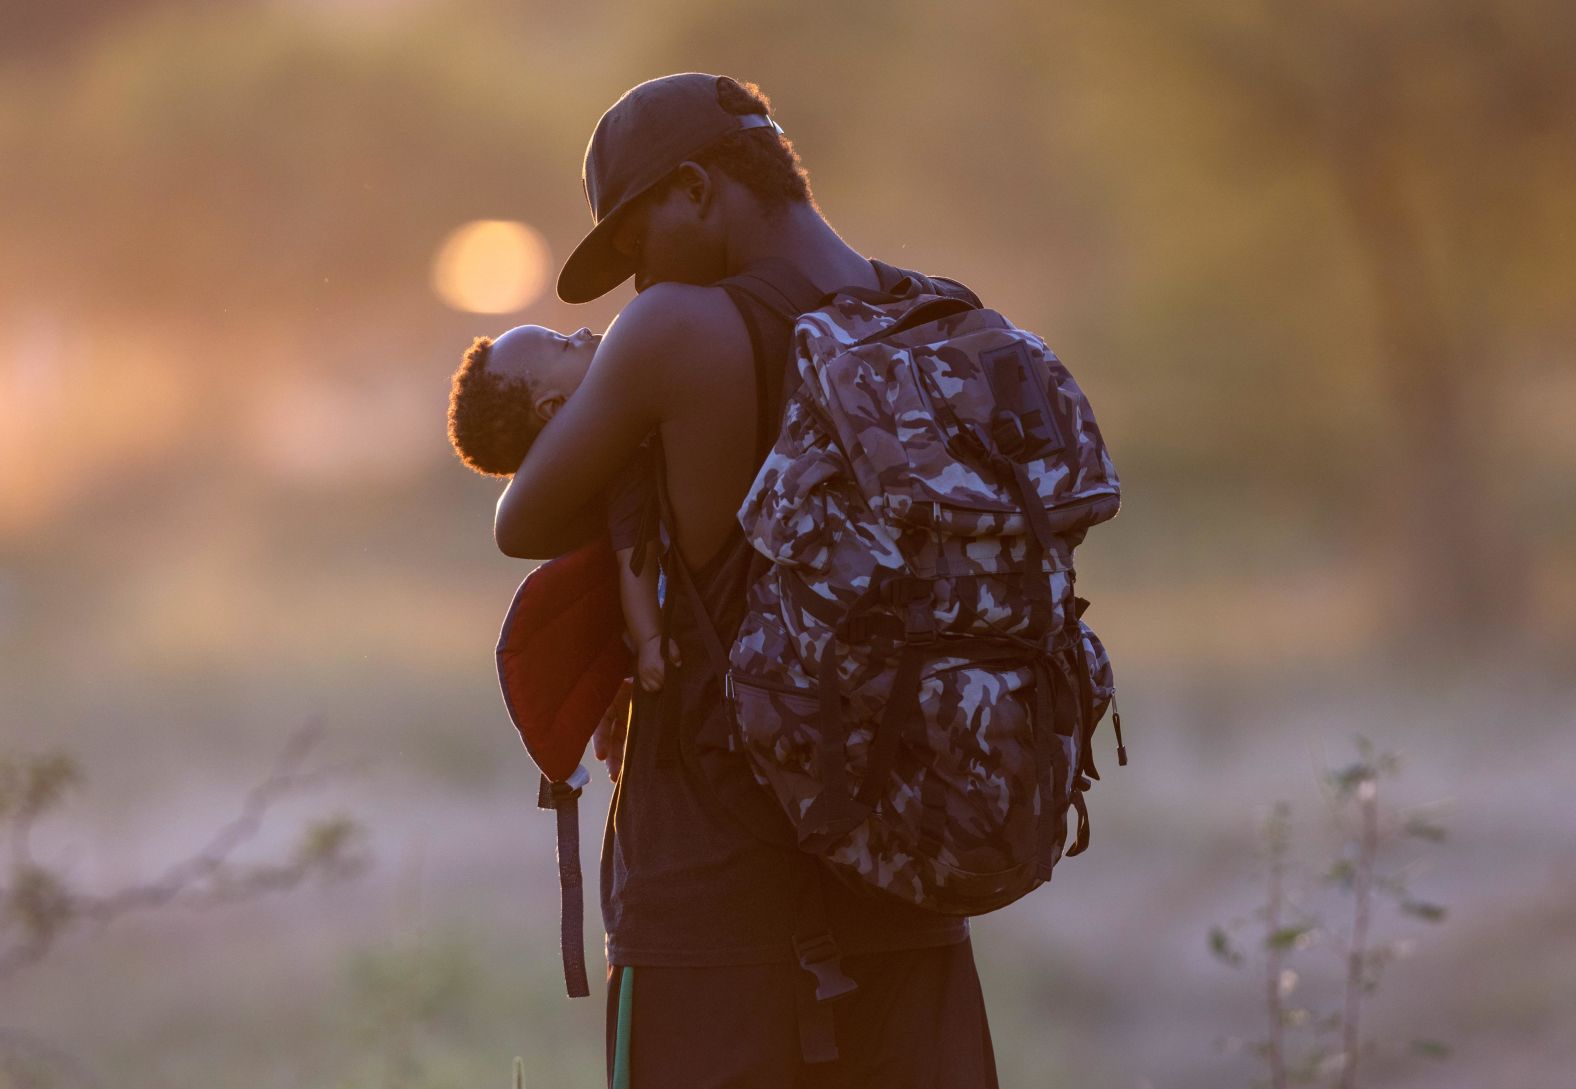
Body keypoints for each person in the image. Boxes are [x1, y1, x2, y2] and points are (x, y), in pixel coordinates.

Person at [495, 73, 999, 1088]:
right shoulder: (936, 323)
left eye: (633, 237)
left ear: (693, 188)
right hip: (907, 884)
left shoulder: (677, 328)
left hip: (715, 908)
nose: (635, 278)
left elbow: (523, 521)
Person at [447, 324, 675, 706]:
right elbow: (636, 562)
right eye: (565, 344)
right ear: (553, 407)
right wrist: (650, 640)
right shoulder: (622, 465)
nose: (583, 331)